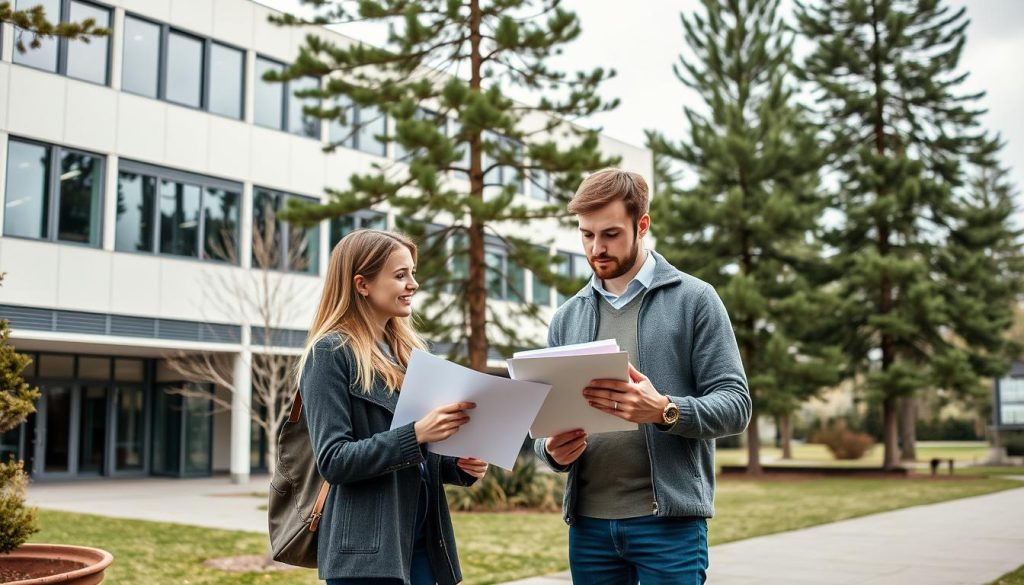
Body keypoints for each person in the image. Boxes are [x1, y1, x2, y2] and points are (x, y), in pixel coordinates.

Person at [535, 168, 752, 584]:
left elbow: (736, 404)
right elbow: (544, 425)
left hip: (669, 526)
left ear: (642, 225)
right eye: (586, 235)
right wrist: (551, 451)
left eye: (611, 234)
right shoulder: (566, 318)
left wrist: (665, 410)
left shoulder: (696, 300)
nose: (596, 248)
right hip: (589, 528)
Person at [297, 229, 488, 585]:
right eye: (400, 275)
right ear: (362, 284)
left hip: (425, 544)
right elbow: (334, 460)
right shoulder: (330, 354)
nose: (413, 284)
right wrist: (417, 434)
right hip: (367, 556)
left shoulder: (408, 353)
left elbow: (415, 453)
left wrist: (457, 465)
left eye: (412, 273)